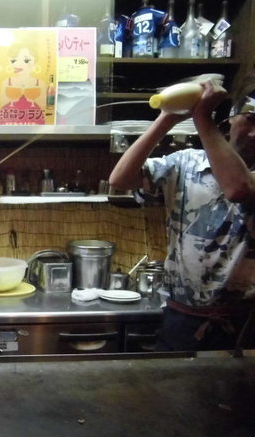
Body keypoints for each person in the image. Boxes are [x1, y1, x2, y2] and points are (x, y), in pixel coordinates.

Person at [109, 74, 255, 351]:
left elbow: (238, 189)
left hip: (246, 324)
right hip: (181, 318)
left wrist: (202, 117)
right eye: (250, 119)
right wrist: (167, 118)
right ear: (232, 117)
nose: (254, 133)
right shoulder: (186, 164)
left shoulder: (246, 181)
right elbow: (120, 179)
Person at [0, 42, 47, 125]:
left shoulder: (40, 83)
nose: (18, 64)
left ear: (34, 62)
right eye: (14, 60)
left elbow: (43, 104)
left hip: (33, 122)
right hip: (9, 122)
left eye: (26, 60)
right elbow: (2, 104)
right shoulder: (6, 82)